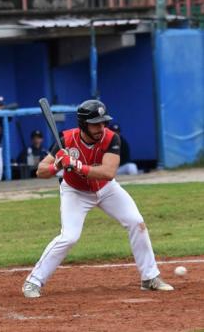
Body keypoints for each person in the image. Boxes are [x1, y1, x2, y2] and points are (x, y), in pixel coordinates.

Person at [22, 99, 173, 298]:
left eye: (103, 122)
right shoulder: (66, 139)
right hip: (75, 191)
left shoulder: (112, 139)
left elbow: (108, 172)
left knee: (136, 222)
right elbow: (41, 171)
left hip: (106, 189)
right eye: (96, 123)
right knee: (69, 237)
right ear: (83, 124)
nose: (101, 127)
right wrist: (57, 166)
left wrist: (76, 165)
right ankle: (33, 282)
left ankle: (150, 277)